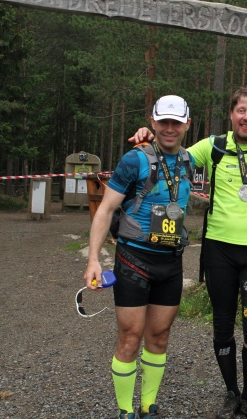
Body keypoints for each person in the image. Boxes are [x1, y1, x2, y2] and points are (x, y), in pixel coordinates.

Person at [132, 87, 247, 419]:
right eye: (241, 111)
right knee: (222, 325)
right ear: (232, 115)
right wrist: (148, 137)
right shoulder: (214, 146)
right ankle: (231, 393)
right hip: (219, 251)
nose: (246, 117)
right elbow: (171, 152)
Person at [83, 95, 195, 419]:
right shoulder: (134, 159)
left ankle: (148, 406)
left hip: (171, 262)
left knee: (159, 337)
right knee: (130, 338)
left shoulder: (190, 160)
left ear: (187, 124)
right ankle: (125, 410)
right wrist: (93, 259)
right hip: (134, 260)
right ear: (153, 121)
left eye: (176, 122)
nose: (170, 128)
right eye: (164, 122)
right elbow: (105, 210)